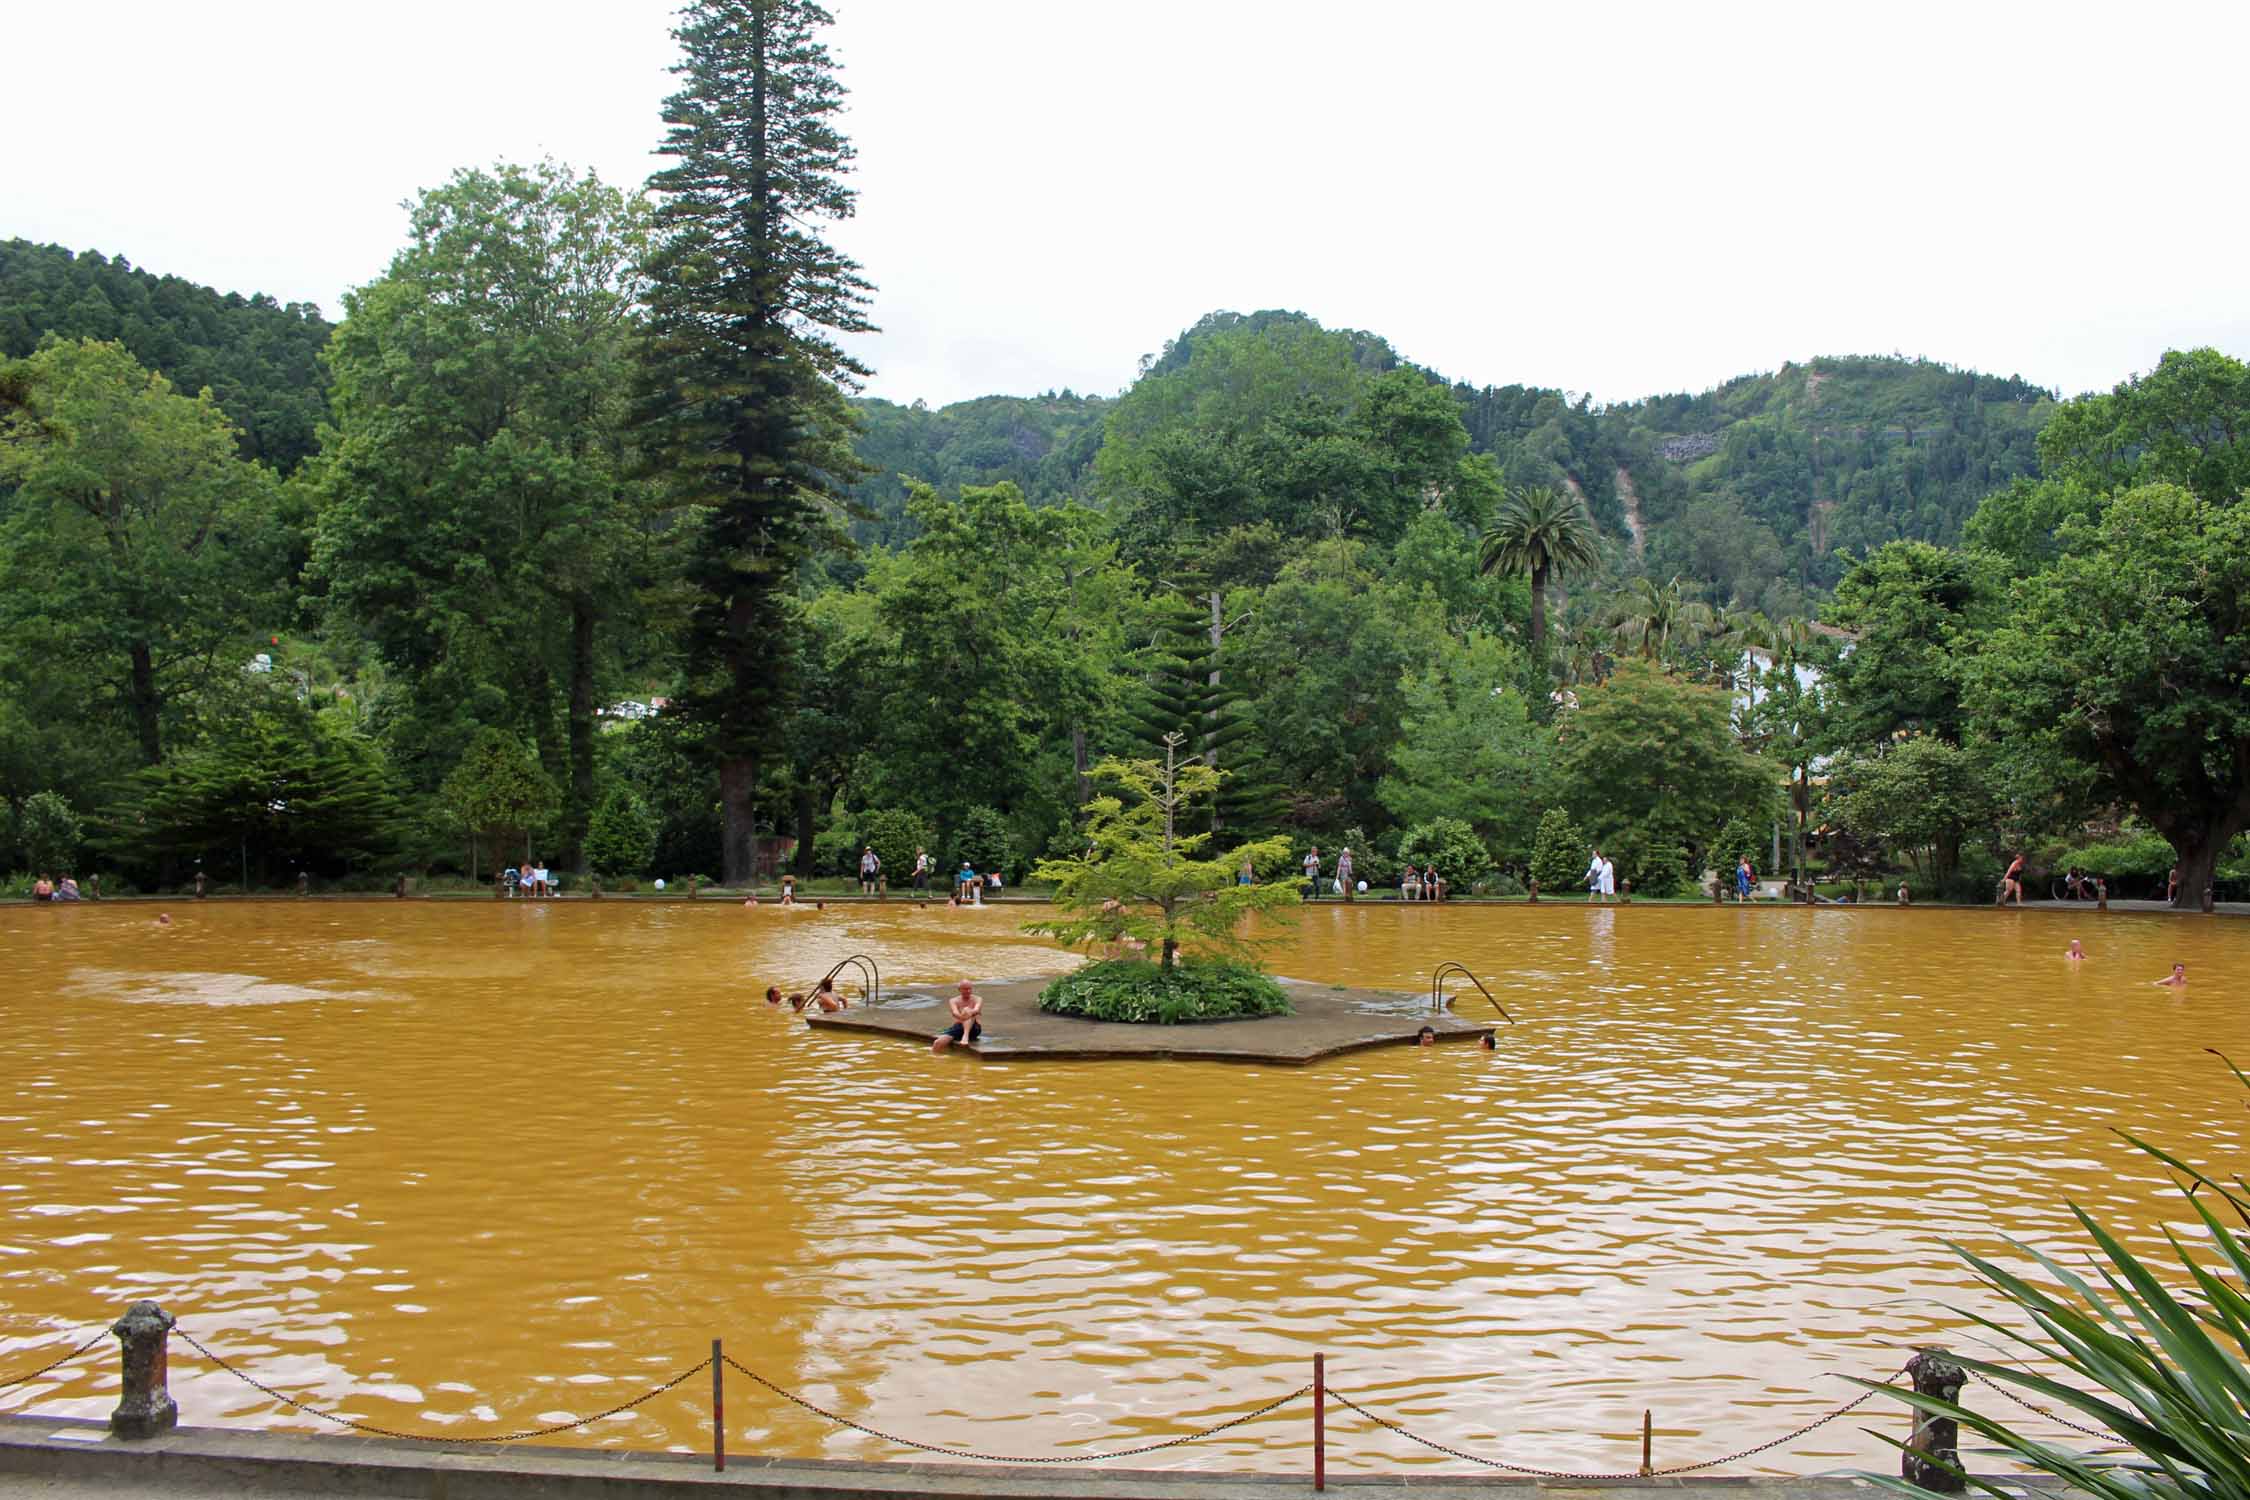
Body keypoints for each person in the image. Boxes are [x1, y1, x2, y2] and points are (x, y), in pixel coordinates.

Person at [932, 979, 985, 1053]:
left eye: (970, 988)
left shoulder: (977, 999)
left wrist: (968, 1012)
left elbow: (976, 1010)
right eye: (966, 989)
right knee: (937, 1043)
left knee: (967, 1010)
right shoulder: (953, 1000)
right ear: (959, 990)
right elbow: (955, 1013)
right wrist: (964, 1017)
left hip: (974, 1029)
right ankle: (935, 1059)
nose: (968, 991)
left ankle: (965, 1036)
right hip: (959, 1027)